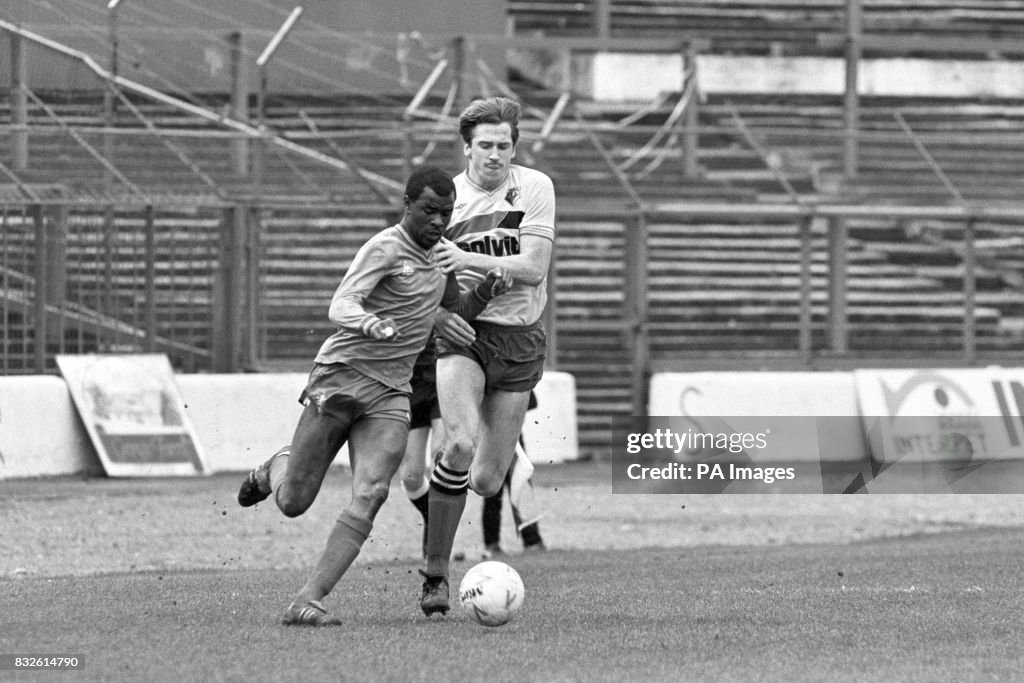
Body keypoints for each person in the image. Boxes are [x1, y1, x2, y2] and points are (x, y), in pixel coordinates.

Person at [234, 165, 509, 626]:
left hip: (391, 392)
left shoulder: (445, 259)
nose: (439, 222)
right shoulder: (384, 248)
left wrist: (483, 291)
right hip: (341, 377)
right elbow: (341, 303)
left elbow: (451, 315)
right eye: (429, 212)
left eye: (446, 212)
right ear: (407, 206)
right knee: (294, 502)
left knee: (374, 491)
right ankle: (276, 467)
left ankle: (308, 599)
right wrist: (369, 323)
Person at [419, 96, 557, 616]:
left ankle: (461, 486)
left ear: (514, 147)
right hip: (464, 332)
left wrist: (468, 257)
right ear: (466, 148)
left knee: (485, 478)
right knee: (456, 445)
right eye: (485, 146)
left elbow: (535, 266)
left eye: (504, 145)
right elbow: (417, 275)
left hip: (520, 339)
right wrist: (437, 315)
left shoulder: (536, 187)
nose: (495, 155)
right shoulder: (444, 198)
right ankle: (435, 575)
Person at [480, 391, 547, 557]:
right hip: (494, 434)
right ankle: (526, 540)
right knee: (499, 489)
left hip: (510, 433)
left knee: (513, 485)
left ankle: (497, 543)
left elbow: (529, 401)